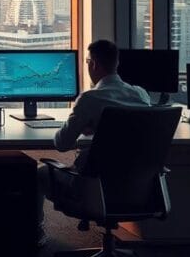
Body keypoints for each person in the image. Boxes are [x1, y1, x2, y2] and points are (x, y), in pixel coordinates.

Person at [36, 39, 150, 243]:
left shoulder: (90, 99)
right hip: (135, 188)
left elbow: (61, 144)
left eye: (88, 61)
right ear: (117, 63)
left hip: (91, 186)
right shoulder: (141, 95)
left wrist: (83, 126)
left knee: (38, 173)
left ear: (94, 64)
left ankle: (35, 233)